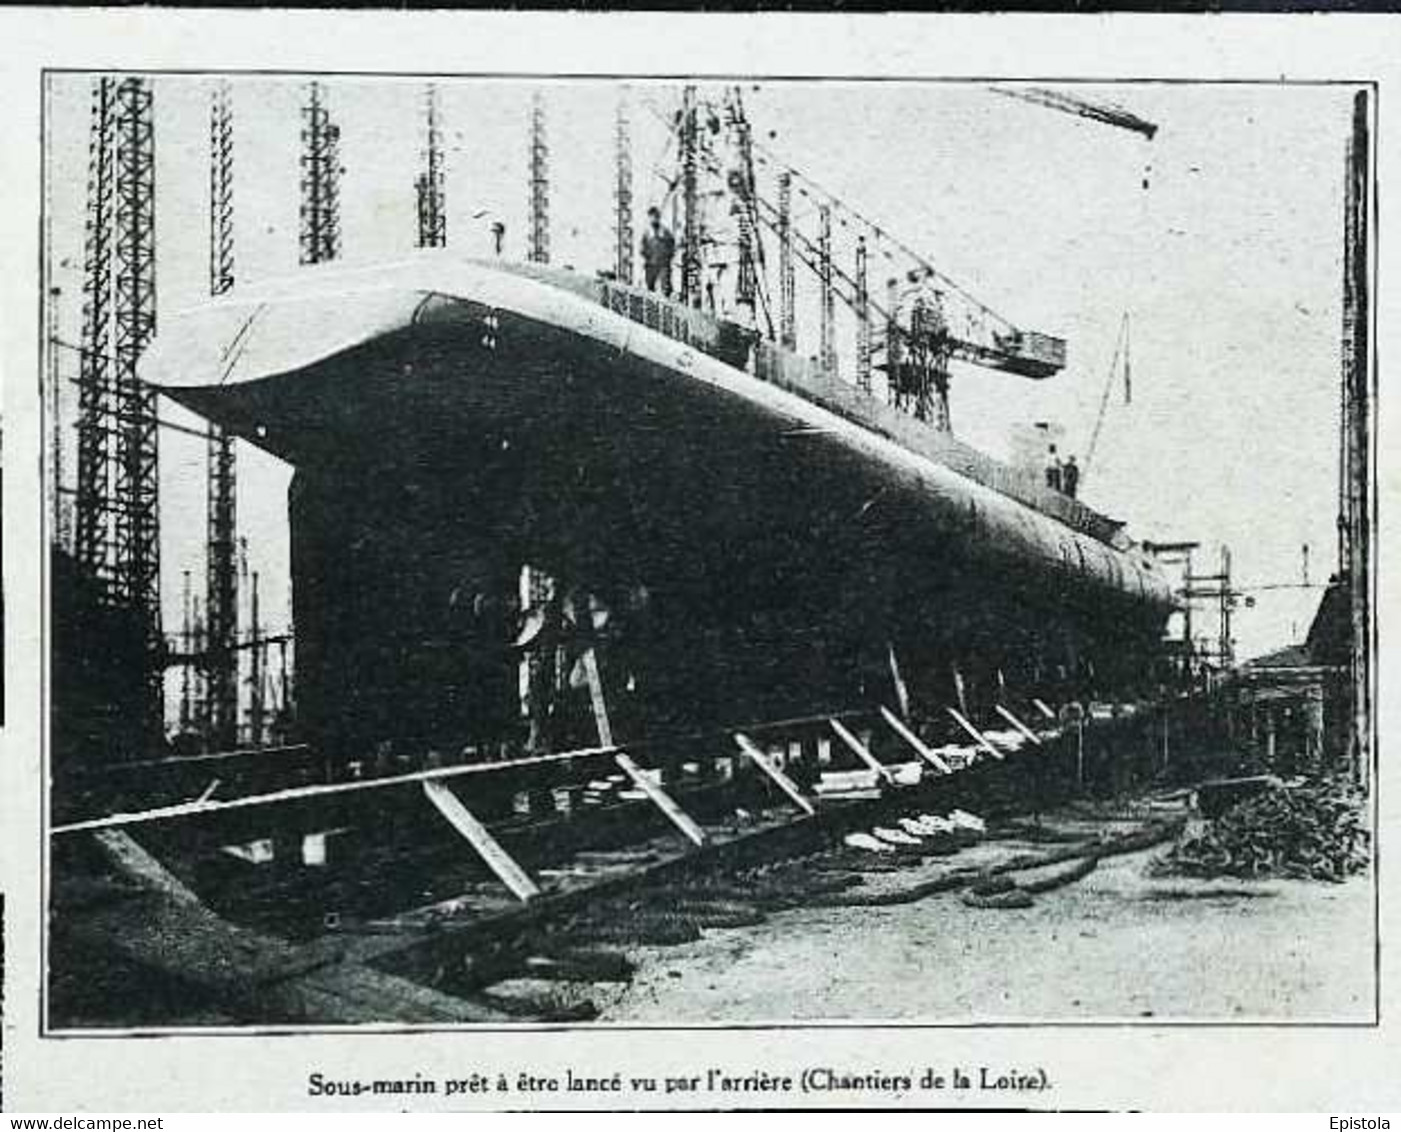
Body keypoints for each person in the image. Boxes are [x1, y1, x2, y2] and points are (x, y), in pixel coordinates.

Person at [640, 206, 676, 297]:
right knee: (650, 289)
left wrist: (667, 258)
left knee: (665, 288)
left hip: (663, 265)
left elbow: (672, 245)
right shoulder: (647, 232)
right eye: (652, 217)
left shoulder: (665, 232)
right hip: (651, 265)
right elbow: (642, 248)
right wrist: (648, 257)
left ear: (659, 217)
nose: (654, 219)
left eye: (656, 217)